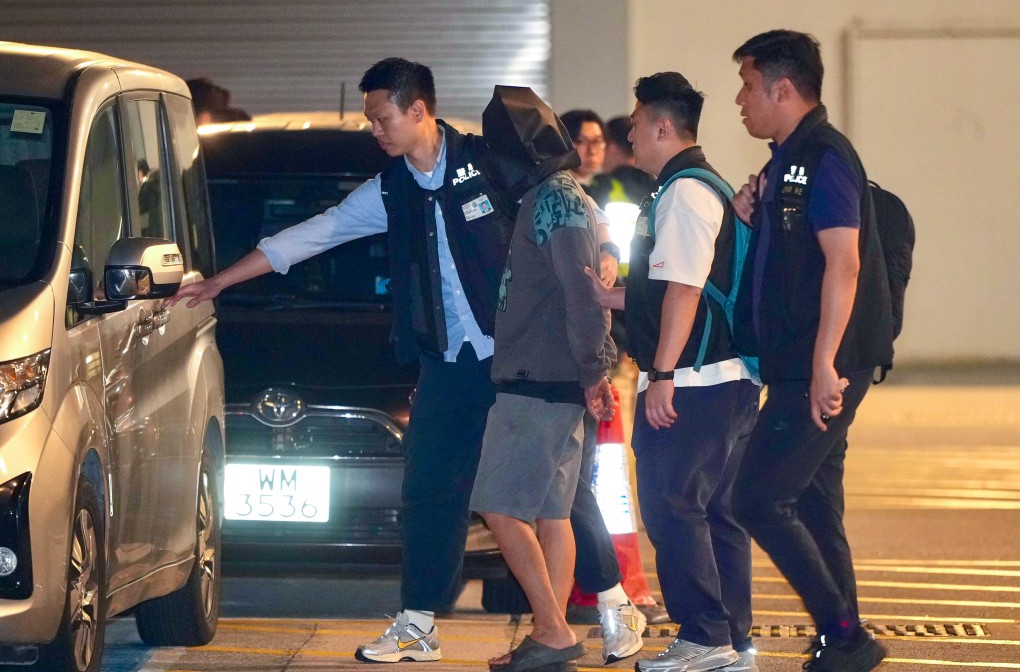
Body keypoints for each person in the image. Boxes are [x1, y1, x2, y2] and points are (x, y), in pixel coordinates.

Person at [170, 57, 639, 664]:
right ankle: (418, 624)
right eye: (371, 120)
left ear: (419, 110)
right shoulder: (390, 188)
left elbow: (573, 200)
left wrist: (604, 251)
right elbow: (312, 235)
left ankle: (611, 602)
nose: (376, 130)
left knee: (561, 493)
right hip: (449, 362)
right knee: (427, 489)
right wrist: (218, 283)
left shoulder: (489, 159)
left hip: (519, 356)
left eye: (382, 117)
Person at [729, 30, 894, 672]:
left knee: (757, 499)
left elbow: (843, 264)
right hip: (799, 362)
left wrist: (826, 363)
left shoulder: (824, 156)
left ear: (784, 89)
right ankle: (843, 635)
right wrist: (751, 215)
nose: (740, 100)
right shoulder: (785, 161)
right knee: (816, 503)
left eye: (748, 86)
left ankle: (845, 635)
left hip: (819, 367)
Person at [588, 72, 761, 672]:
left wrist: (661, 374)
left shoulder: (685, 192)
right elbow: (671, 288)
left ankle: (704, 636)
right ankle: (730, 642)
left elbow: (685, 292)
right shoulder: (691, 188)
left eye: (636, 124)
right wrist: (608, 297)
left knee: (671, 506)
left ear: (664, 126)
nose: (630, 134)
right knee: (715, 513)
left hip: (695, 381)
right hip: (721, 380)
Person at [470, 85, 616, 672]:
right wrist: (591, 370)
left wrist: (595, 368)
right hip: (558, 378)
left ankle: (553, 632)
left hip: (539, 379)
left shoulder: (553, 202)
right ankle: (547, 634)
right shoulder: (564, 195)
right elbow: (586, 282)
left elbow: (583, 294)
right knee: (553, 514)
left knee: (500, 508)